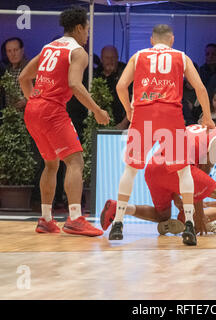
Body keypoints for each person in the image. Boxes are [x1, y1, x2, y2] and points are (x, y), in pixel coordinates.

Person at [111, 24, 215, 242]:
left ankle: (118, 224)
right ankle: (189, 224)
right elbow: (201, 88)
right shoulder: (181, 56)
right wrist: (207, 116)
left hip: (144, 112)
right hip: (170, 114)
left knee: (130, 169)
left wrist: (129, 110)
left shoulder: (138, 56)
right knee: (183, 171)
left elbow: (121, 86)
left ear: (151, 40)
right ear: (172, 39)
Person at [100, 119, 216, 244]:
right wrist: (199, 215)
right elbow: (199, 183)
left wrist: (183, 200)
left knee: (162, 216)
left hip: (154, 166)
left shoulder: (202, 128)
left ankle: (120, 209)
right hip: (175, 168)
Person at [19, 6, 110, 236]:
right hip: (52, 111)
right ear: (79, 28)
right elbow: (74, 84)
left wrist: (35, 101)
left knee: (52, 164)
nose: (87, 35)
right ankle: (76, 218)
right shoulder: (78, 52)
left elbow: (23, 77)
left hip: (33, 110)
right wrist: (97, 110)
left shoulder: (49, 47)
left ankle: (46, 219)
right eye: (87, 30)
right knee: (75, 162)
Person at [94, 45, 129, 129]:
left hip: (122, 122)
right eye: (107, 58)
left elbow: (132, 100)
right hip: (100, 122)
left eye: (113, 57)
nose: (110, 61)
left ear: (117, 58)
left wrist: (124, 123)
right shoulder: (95, 73)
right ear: (101, 59)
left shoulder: (125, 71)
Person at [3, 37, 28, 111]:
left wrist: (26, 100)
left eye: (16, 50)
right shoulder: (5, 70)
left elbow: (42, 90)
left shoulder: (31, 68)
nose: (13, 54)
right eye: (9, 51)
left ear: (22, 50)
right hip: (9, 117)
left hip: (26, 117)